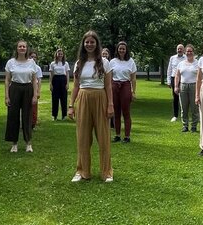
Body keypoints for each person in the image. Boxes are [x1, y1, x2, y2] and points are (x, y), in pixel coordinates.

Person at [68, 30, 114, 182]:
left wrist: (110, 105)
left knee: (103, 136)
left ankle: (106, 172)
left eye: (92, 42)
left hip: (100, 97)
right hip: (83, 97)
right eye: (87, 42)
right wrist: (71, 105)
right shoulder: (78, 63)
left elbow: (108, 86)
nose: (89, 44)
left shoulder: (105, 62)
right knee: (83, 137)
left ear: (96, 43)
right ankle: (82, 171)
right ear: (83, 44)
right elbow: (75, 86)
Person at [5, 41, 38, 153]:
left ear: (26, 49)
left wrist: (35, 95)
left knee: (27, 116)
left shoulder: (31, 62)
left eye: (24, 46)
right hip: (14, 88)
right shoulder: (11, 62)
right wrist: (6, 96)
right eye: (20, 46)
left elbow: (34, 80)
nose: (22, 48)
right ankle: (14, 144)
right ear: (17, 48)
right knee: (13, 115)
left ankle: (28, 143)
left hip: (28, 89)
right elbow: (7, 80)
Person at [109, 41, 137, 143]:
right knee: (116, 112)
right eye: (120, 48)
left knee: (126, 112)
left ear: (126, 50)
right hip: (114, 86)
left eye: (123, 49)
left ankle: (127, 136)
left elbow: (133, 79)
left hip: (125, 86)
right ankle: (117, 135)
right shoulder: (112, 62)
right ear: (117, 49)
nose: (121, 50)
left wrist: (133, 92)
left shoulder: (131, 62)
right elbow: (109, 77)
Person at [174, 44, 199, 133]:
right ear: (185, 52)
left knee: (194, 108)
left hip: (194, 86)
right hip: (183, 86)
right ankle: (185, 125)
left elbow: (200, 77)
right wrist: (176, 86)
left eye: (190, 51)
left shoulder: (198, 63)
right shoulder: (181, 64)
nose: (189, 53)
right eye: (187, 51)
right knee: (183, 108)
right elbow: (177, 75)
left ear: (193, 52)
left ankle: (194, 126)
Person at [166, 44, 186, 122]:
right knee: (175, 98)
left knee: (184, 98)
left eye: (181, 49)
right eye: (178, 49)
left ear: (183, 50)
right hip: (174, 78)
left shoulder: (186, 57)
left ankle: (184, 115)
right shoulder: (172, 58)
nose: (179, 50)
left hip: (184, 78)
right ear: (176, 50)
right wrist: (168, 81)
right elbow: (169, 70)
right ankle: (175, 115)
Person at [49, 48, 70, 121]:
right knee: (55, 98)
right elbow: (51, 75)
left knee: (64, 98)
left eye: (61, 54)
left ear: (63, 55)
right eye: (59, 54)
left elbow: (67, 74)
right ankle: (54, 115)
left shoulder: (66, 63)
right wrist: (50, 84)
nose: (60, 55)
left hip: (63, 80)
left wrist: (67, 83)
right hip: (55, 80)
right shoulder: (53, 63)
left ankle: (64, 115)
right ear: (56, 54)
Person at [29, 51, 42, 128]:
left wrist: (38, 92)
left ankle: (33, 123)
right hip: (27, 86)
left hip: (35, 87)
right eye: (31, 57)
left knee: (34, 106)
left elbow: (39, 80)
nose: (33, 58)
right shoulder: (26, 66)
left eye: (35, 57)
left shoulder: (38, 68)